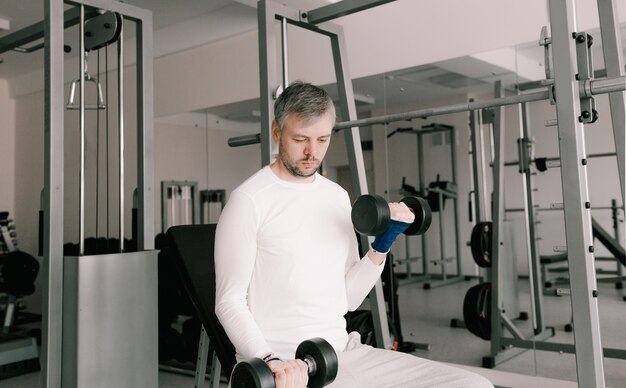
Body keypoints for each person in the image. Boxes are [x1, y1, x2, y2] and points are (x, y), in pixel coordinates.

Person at [215, 81, 493, 388]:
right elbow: (229, 301)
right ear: (277, 132)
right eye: (300, 139)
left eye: (322, 139)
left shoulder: (336, 196)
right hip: (280, 367)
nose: (312, 152)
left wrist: (382, 245)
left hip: (341, 354)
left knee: (474, 385)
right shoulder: (249, 200)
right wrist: (269, 360)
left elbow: (348, 297)